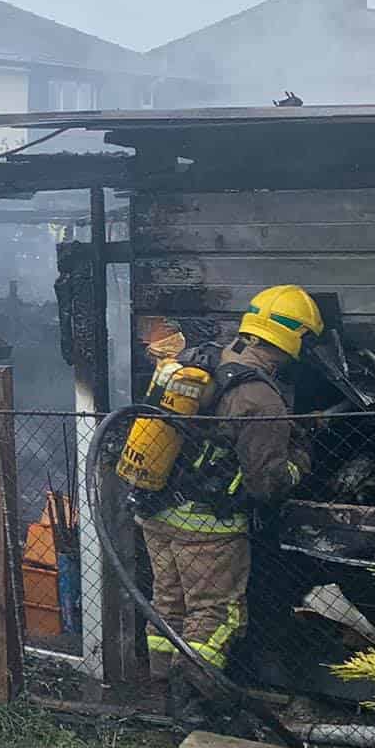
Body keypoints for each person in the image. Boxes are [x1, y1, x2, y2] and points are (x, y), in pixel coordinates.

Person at [137, 284, 319, 706]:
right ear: (297, 338)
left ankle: (161, 691)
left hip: (155, 510)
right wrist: (302, 456)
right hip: (208, 527)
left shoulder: (199, 358)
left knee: (169, 602)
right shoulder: (260, 396)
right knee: (215, 614)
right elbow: (266, 483)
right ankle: (194, 703)